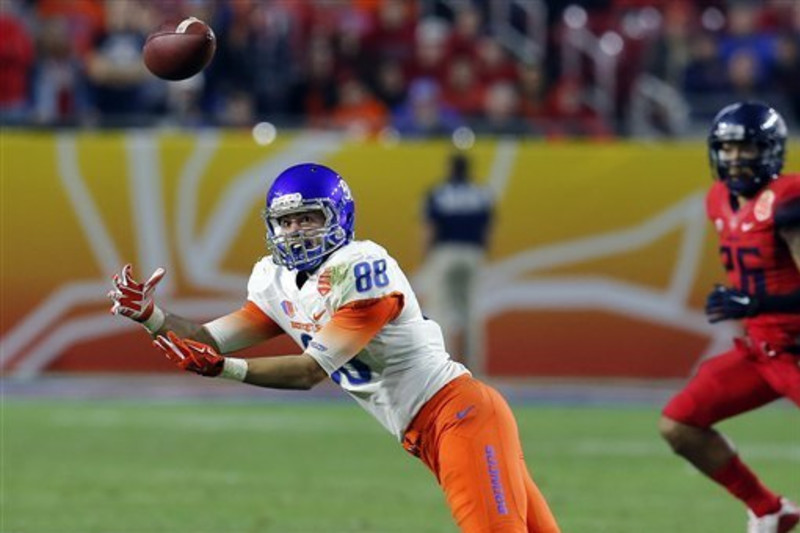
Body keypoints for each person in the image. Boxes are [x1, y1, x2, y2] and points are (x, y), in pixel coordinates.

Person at [108, 163, 560, 533]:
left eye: (309, 218)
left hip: (458, 414)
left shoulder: (360, 268)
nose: (296, 230)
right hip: (429, 431)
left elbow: (309, 372)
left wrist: (223, 370)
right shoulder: (275, 280)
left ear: (338, 217)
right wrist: (153, 317)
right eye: (286, 221)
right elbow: (210, 339)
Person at [658, 101, 800, 533]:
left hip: (796, 350)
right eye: (729, 149)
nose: (736, 158)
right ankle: (768, 509)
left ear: (771, 152)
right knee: (680, 425)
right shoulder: (718, 200)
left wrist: (755, 305)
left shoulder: (787, 201)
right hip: (761, 353)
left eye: (748, 149)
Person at [419, 153, 495, 369]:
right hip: (473, 253)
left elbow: (429, 229)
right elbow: (488, 230)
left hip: (445, 253)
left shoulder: (439, 193)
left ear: (450, 169)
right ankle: (475, 367)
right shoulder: (480, 194)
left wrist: (426, 258)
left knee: (440, 310)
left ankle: (441, 368)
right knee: (472, 312)